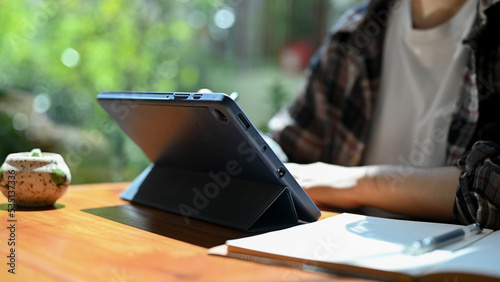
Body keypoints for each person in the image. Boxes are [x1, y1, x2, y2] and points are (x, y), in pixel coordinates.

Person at [269, 0, 500, 229]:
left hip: (452, 259)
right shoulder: (356, 29)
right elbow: (291, 147)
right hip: (340, 246)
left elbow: (493, 186)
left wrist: (360, 183)